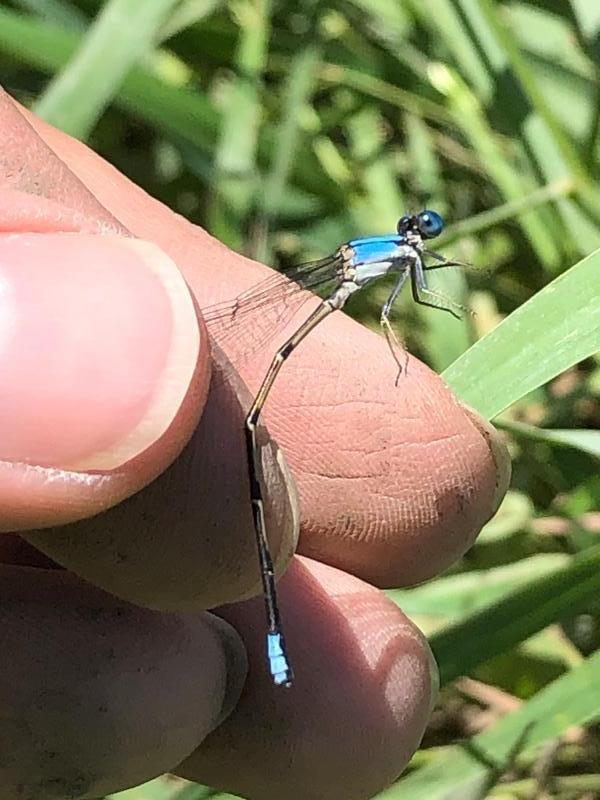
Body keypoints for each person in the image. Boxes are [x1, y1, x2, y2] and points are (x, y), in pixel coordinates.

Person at [0, 88, 510, 800]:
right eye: (419, 229)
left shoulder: (389, 253)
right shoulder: (387, 260)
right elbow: (405, 305)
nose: (419, 237)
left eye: (421, 231)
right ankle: (273, 637)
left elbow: (410, 290)